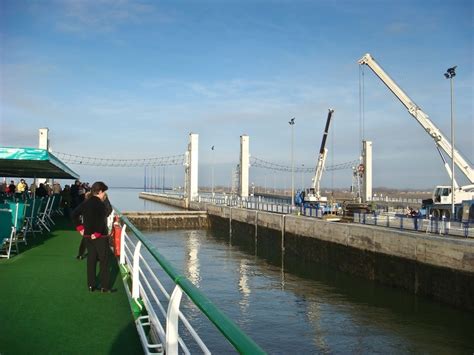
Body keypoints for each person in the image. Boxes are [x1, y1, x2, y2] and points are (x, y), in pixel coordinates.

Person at [72, 181, 115, 293]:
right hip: (100, 237)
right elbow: (101, 220)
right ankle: (104, 286)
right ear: (100, 191)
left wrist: (80, 228)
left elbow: (74, 214)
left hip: (87, 235)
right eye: (103, 192)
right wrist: (98, 233)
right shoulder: (101, 204)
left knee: (91, 260)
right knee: (104, 261)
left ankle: (91, 285)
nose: (104, 194)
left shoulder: (85, 203)